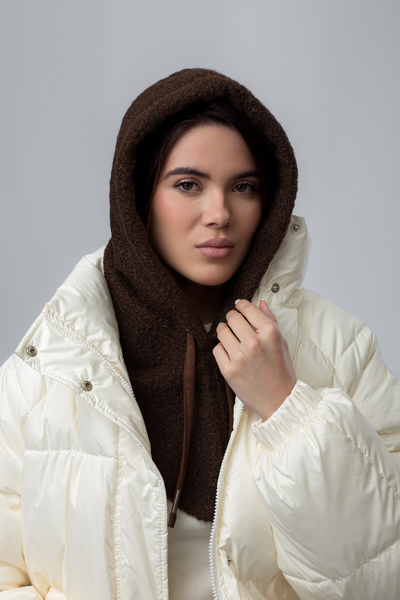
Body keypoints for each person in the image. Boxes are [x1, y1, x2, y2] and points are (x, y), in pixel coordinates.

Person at [0, 68, 399, 600]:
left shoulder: (341, 350)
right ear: (138, 194)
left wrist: (288, 409)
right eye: (188, 185)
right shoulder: (48, 366)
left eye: (244, 187)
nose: (220, 214)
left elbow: (380, 577)